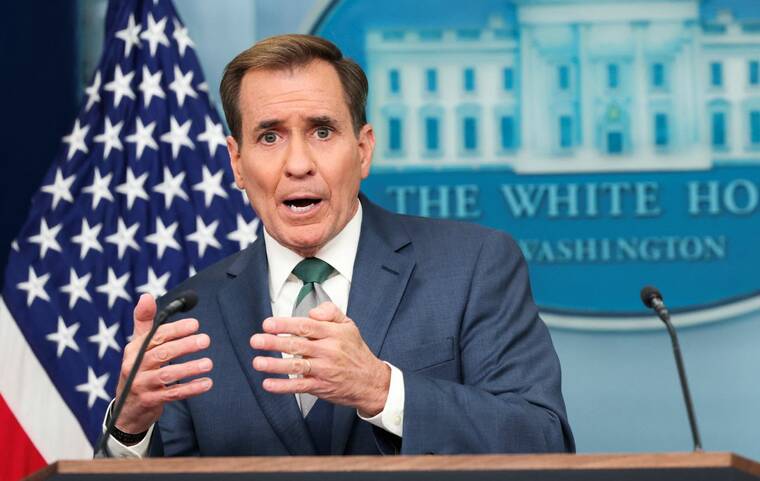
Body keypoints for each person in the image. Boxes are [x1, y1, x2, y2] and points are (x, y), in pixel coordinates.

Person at [102, 34, 574, 457]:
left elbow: (542, 438)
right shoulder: (187, 315)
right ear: (237, 164)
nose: (299, 164)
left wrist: (382, 390)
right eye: (270, 136)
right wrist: (129, 427)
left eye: (322, 131)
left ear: (363, 149)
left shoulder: (473, 265)